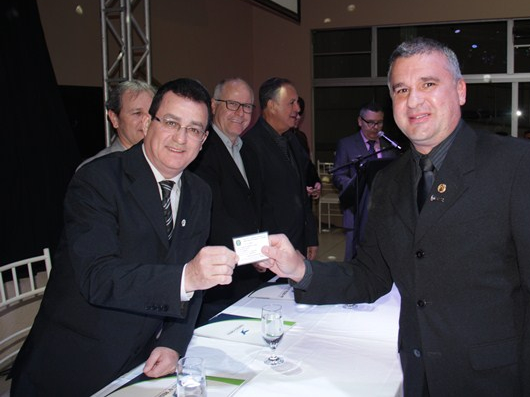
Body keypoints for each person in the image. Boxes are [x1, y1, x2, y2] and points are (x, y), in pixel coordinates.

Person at [258, 38, 530, 396]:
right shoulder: (388, 182)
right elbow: (370, 275)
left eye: (428, 84)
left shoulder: (516, 165)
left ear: (460, 91)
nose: (413, 100)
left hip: (495, 381)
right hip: (418, 376)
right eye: (402, 90)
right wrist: (300, 269)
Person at [11, 78, 239, 396]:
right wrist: (187, 276)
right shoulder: (97, 180)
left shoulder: (200, 192)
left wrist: (173, 341)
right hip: (75, 362)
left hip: (143, 359)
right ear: (148, 123)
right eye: (171, 122)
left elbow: (194, 284)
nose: (180, 138)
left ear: (203, 140)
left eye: (193, 129)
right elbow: (98, 276)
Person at [189, 78, 272, 324]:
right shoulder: (202, 151)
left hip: (248, 273)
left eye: (247, 107)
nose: (240, 113)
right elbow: (214, 215)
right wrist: (253, 252)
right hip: (219, 279)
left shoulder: (247, 150)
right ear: (214, 105)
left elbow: (258, 206)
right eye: (233, 104)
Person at [243, 77, 319, 260]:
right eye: (291, 103)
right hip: (271, 250)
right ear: (272, 106)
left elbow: (301, 194)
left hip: (298, 243)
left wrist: (310, 236)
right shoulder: (250, 145)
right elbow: (251, 208)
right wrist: (257, 255)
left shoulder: (292, 139)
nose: (297, 108)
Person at [332, 101, 399, 260]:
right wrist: (355, 185)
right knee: (354, 260)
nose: (375, 127)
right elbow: (338, 175)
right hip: (356, 212)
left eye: (379, 123)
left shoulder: (389, 146)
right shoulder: (347, 144)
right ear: (360, 121)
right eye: (370, 123)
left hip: (383, 214)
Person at [77, 79, 156, 170]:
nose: (148, 120)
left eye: (152, 113)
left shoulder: (166, 162)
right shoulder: (95, 169)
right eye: (137, 113)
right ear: (114, 119)